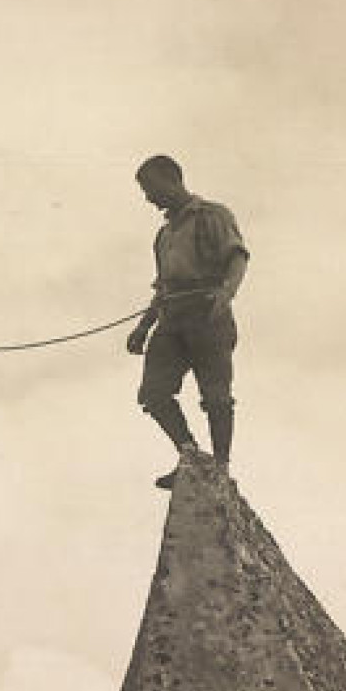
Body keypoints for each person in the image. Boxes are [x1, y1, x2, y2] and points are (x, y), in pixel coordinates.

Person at [125, 154, 250, 489]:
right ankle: (191, 457)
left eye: (150, 188)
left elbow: (237, 258)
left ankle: (220, 469)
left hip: (208, 314)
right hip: (172, 318)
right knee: (154, 393)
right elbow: (163, 287)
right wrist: (143, 326)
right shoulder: (163, 235)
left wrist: (226, 295)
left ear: (172, 179)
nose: (148, 198)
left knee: (216, 396)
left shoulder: (212, 215)